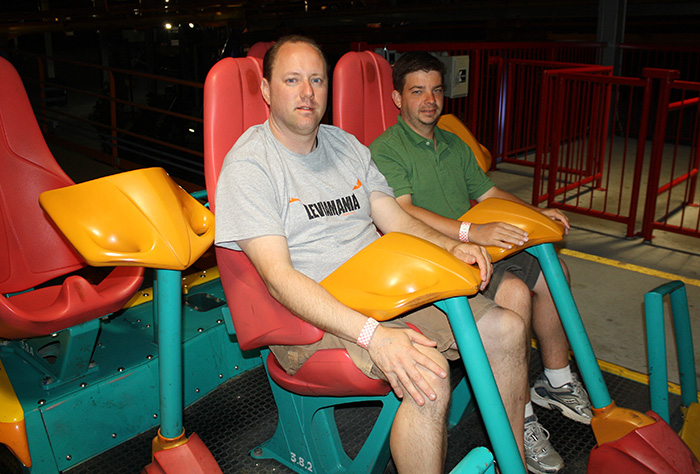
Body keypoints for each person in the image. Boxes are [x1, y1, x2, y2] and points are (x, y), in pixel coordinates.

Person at [215, 35, 533, 473]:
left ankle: (512, 459)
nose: (307, 93)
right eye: (292, 80)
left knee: (508, 328)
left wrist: (452, 244)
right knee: (429, 374)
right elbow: (279, 278)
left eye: (317, 80)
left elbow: (395, 219)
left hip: (381, 292)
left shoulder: (346, 147)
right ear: (267, 91)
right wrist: (374, 336)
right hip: (310, 315)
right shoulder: (250, 166)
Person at [370, 51, 593, 474]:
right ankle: (522, 418)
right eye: (417, 92)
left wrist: (536, 213)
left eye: (436, 90)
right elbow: (403, 211)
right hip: (440, 256)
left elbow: (489, 195)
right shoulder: (386, 148)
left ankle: (558, 380)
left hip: (479, 249)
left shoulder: (452, 143)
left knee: (553, 272)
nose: (429, 100)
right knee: (512, 296)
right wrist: (469, 233)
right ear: (398, 98)